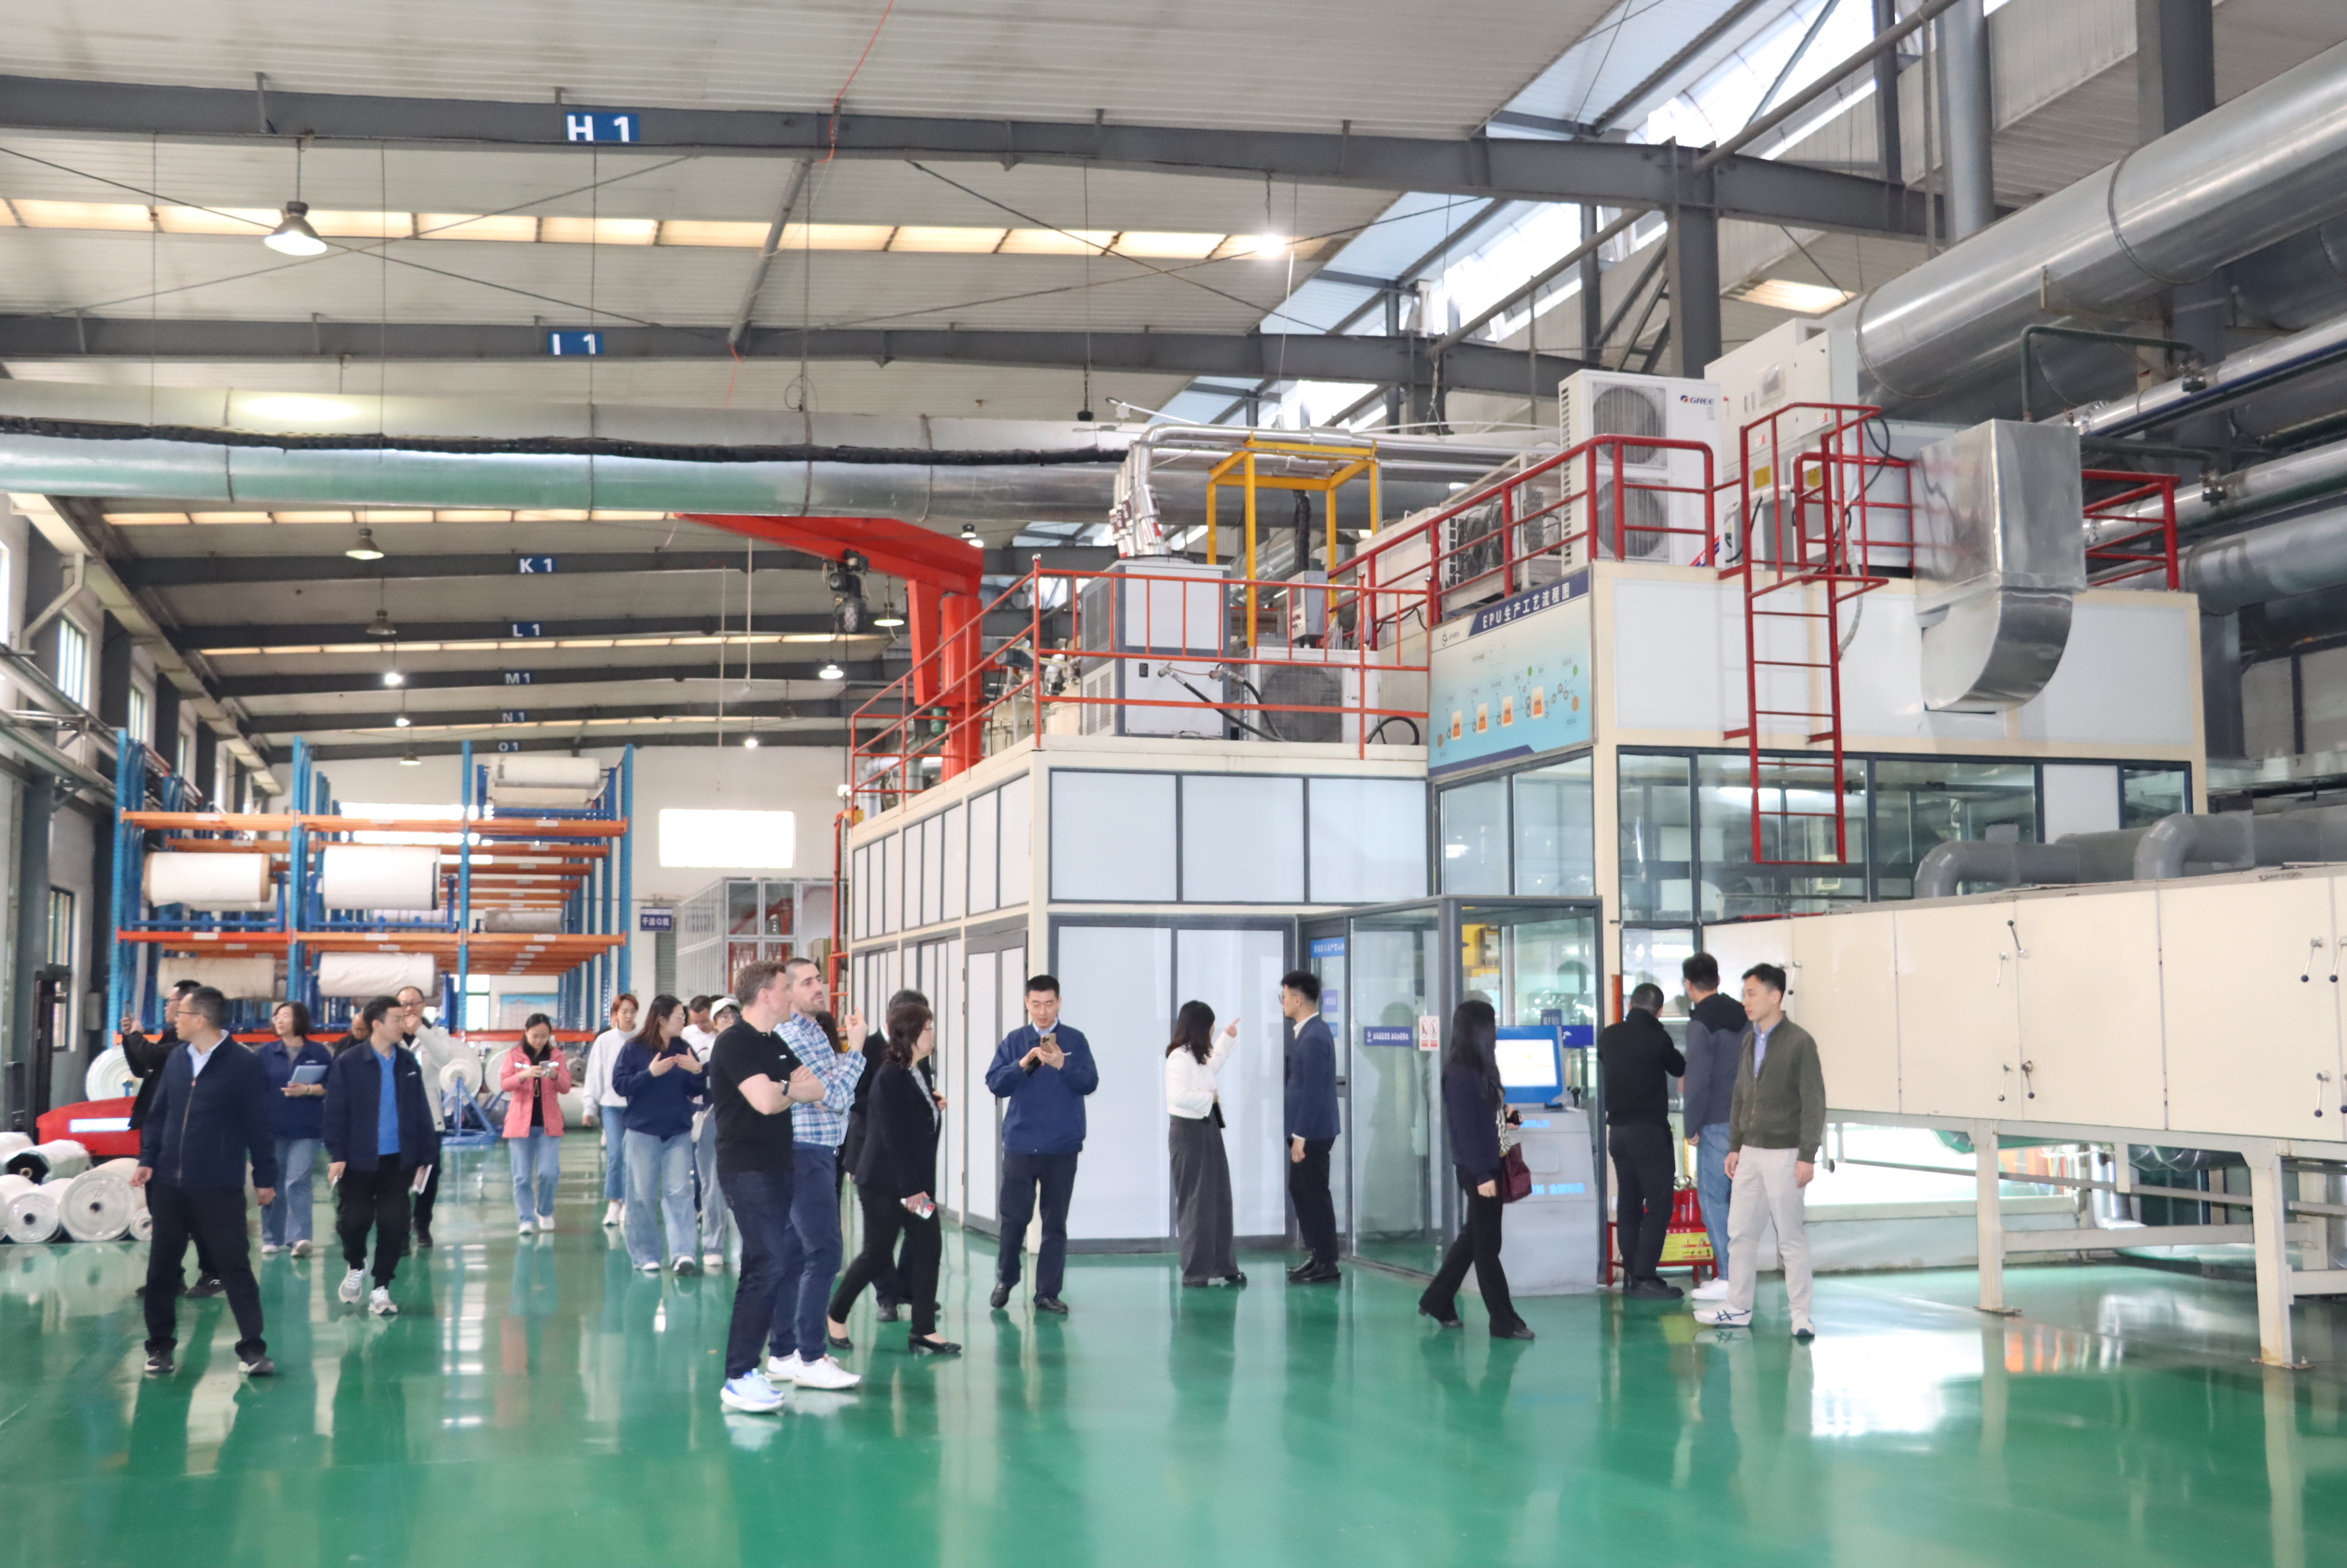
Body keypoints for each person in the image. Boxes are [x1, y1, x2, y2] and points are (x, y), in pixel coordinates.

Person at [130, 985, 279, 1377]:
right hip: (169, 1184)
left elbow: (258, 1125)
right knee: (162, 1270)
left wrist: (265, 1177)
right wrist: (148, 1160)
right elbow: (159, 1114)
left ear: (200, 1020)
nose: (173, 1020)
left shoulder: (243, 1065)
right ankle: (159, 1348)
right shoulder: (177, 1059)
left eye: (179, 1013)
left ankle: (253, 1350)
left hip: (217, 1186)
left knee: (235, 1268)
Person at [705, 958, 827, 1413]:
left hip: (779, 1167)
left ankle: (762, 1364)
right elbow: (764, 1102)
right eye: (785, 987)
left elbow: (817, 1090)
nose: (792, 994)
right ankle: (738, 1374)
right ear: (765, 995)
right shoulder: (734, 1042)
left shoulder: (774, 1042)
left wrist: (786, 1087)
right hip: (746, 1170)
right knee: (766, 1264)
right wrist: (788, 1087)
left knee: (775, 1263)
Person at [1697, 964, 1827, 1340]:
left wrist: (1807, 1155)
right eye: (1744, 994)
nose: (1746, 1001)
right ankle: (1738, 1306)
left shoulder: (1800, 1042)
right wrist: (1735, 1146)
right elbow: (1740, 1095)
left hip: (1785, 1153)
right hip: (1750, 1153)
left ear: (1775, 996)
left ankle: (1801, 1314)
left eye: (1752, 993)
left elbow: (1814, 1102)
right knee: (1740, 1234)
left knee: (1790, 1238)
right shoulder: (1749, 1040)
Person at [830, 1000, 959, 1355]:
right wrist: (913, 1189)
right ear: (912, 1035)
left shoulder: (917, 1070)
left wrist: (931, 1105)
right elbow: (892, 1136)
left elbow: (913, 1116)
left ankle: (924, 1329)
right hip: (886, 1186)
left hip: (913, 1186)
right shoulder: (889, 1075)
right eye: (928, 1029)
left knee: (929, 1248)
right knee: (877, 1253)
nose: (933, 1035)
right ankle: (835, 1314)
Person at [767, 960, 865, 1392]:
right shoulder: (791, 1037)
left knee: (794, 1256)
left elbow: (834, 1094)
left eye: (819, 979)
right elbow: (839, 1096)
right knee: (824, 1253)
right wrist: (856, 1050)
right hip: (805, 1153)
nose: (819, 987)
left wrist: (838, 1075)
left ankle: (783, 1353)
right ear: (788, 992)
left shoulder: (815, 1034)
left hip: (818, 1152)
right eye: (807, 982)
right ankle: (810, 1355)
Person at [1418, 1000, 1534, 1342]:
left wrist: (1509, 1116)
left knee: (1474, 1240)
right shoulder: (1460, 1073)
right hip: (1480, 1170)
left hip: (1488, 1164)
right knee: (1487, 1248)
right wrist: (1483, 1175)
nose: (1495, 1031)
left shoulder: (1478, 1067)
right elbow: (1464, 1129)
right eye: (1492, 1025)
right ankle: (1504, 1320)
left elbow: (1485, 1115)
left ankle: (1437, 1300)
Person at [985, 975, 1098, 1315]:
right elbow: (995, 1083)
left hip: (1062, 1148)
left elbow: (1090, 1082)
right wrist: (1022, 1064)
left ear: (1059, 1002)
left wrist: (1062, 1063)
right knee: (1013, 1219)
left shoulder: (1075, 1040)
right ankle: (1006, 1278)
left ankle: (1047, 1292)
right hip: (1021, 1145)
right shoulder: (1015, 1041)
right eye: (1036, 1004)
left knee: (1055, 1223)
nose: (1043, 1011)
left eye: (1049, 1003)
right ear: (1027, 1004)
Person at [322, 995, 437, 1317]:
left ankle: (381, 1287)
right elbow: (335, 1110)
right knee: (354, 1222)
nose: (404, 1024)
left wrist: (426, 1154)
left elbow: (420, 1110)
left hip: (398, 1160)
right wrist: (337, 1153)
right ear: (377, 1024)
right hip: (358, 1160)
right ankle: (356, 1265)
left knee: (394, 1223)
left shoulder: (407, 1063)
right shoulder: (349, 1062)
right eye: (397, 1019)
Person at [844, 987, 933, 1321]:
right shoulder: (869, 1050)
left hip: (913, 1167)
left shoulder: (920, 1052)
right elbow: (856, 1096)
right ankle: (886, 1297)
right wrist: (894, 1108)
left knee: (924, 1233)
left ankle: (915, 1295)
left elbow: (920, 1094)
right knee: (879, 1242)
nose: (928, 1032)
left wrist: (929, 1103)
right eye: (922, 1025)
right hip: (876, 1161)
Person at [1601, 982, 1689, 1301]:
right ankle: (1645, 1276)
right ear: (1659, 1011)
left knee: (1629, 1202)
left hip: (1618, 1133)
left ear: (1630, 1005)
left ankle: (1631, 1276)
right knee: (1660, 1204)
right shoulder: (1657, 1037)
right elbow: (1678, 1066)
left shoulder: (1608, 1036)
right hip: (1649, 1133)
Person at [613, 994, 707, 1275]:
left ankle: (684, 1253)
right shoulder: (634, 1049)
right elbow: (620, 1085)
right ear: (662, 1019)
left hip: (677, 1132)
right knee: (642, 1195)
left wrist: (697, 1070)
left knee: (680, 1192)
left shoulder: (683, 1049)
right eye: (679, 1016)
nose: (684, 1021)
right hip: (643, 1132)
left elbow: (695, 1089)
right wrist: (649, 1074)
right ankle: (646, 1255)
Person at [1680, 952, 1749, 1304]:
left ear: (1688, 985)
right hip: (1748, 1121)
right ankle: (1737, 1276)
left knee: (1713, 1200)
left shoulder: (1700, 1022)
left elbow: (1697, 1079)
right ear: (1719, 980)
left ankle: (1729, 1276)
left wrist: (1691, 1125)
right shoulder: (1746, 1016)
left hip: (1717, 1121)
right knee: (1741, 1202)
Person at [1166, 1000, 1244, 1288]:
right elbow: (1178, 1096)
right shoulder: (1178, 1058)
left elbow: (1213, 1064)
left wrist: (1227, 1038)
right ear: (1201, 1028)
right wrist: (1209, 1098)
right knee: (1196, 1202)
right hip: (1188, 1134)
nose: (1213, 1031)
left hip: (1208, 1127)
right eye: (1212, 1027)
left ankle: (1223, 1265)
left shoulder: (1197, 1056)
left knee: (1219, 1197)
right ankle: (1196, 1271)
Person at [256, 1000, 333, 1258]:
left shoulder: (319, 1052)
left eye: (286, 1016)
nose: (279, 1020)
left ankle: (300, 1238)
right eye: (277, 1016)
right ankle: (273, 1237)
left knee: (298, 1181)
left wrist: (308, 1089)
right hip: (273, 1128)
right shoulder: (266, 1053)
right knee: (274, 1182)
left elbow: (331, 1085)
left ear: (299, 1020)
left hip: (307, 1129)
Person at [1280, 970, 1341, 1283]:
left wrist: (1300, 1135)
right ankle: (1318, 1253)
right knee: (1300, 1189)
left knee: (1314, 1193)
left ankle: (1328, 1262)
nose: (1282, 1003)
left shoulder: (1315, 1036)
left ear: (1297, 999)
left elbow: (1315, 1090)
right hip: (1305, 1130)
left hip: (1313, 1132)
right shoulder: (1308, 1032)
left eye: (1284, 997)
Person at [397, 984, 464, 1249]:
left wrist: (421, 1031)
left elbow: (444, 1060)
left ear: (424, 1005)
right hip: (396, 1115)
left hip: (429, 1114)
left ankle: (422, 1223)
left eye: (414, 1003)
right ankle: (400, 1230)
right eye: (404, 1004)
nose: (409, 1008)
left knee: (430, 1173)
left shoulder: (436, 1034)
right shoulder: (391, 1034)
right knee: (398, 1175)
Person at [500, 1014, 573, 1235]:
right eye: (535, 1036)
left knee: (549, 1172)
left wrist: (555, 1075)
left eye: (544, 1036)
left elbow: (566, 1087)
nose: (539, 1041)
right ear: (526, 1032)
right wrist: (523, 1075)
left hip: (549, 1126)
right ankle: (526, 1218)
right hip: (520, 1125)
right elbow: (505, 1084)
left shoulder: (557, 1055)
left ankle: (545, 1211)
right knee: (522, 1176)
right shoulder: (514, 1055)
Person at [689, 996, 738, 1269]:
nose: (730, 1020)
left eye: (734, 1015)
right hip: (714, 1117)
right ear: (715, 1022)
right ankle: (713, 1245)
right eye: (724, 1016)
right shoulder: (706, 1050)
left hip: (746, 1120)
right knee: (712, 1184)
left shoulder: (752, 1046)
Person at [585, 992, 641, 1227]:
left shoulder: (643, 1039)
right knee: (616, 1154)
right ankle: (614, 1202)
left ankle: (629, 1203)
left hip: (638, 1107)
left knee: (633, 1156)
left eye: (632, 1011)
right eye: (623, 1011)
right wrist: (589, 1106)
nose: (628, 1016)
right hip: (611, 1107)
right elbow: (594, 1073)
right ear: (615, 1014)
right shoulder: (605, 1041)